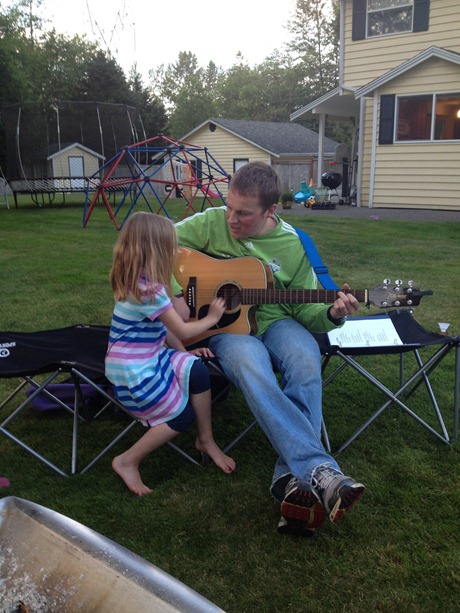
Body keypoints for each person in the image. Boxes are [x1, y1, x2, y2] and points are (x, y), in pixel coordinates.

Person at [172, 161, 365, 536]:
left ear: (270, 210)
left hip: (277, 321)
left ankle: (292, 481)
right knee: (253, 368)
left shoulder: (292, 244)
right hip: (228, 328)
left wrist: (332, 313)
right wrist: (176, 293)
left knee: (305, 359)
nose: (231, 219)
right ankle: (319, 472)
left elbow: (305, 309)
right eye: (229, 207)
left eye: (243, 213)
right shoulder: (211, 222)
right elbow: (150, 244)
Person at [105, 212, 236, 496]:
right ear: (156, 250)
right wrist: (213, 317)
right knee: (180, 417)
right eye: (171, 247)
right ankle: (127, 461)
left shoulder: (142, 282)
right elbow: (183, 328)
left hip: (147, 357)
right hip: (135, 373)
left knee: (197, 370)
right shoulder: (148, 291)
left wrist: (185, 354)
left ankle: (205, 440)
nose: (175, 252)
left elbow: (164, 330)